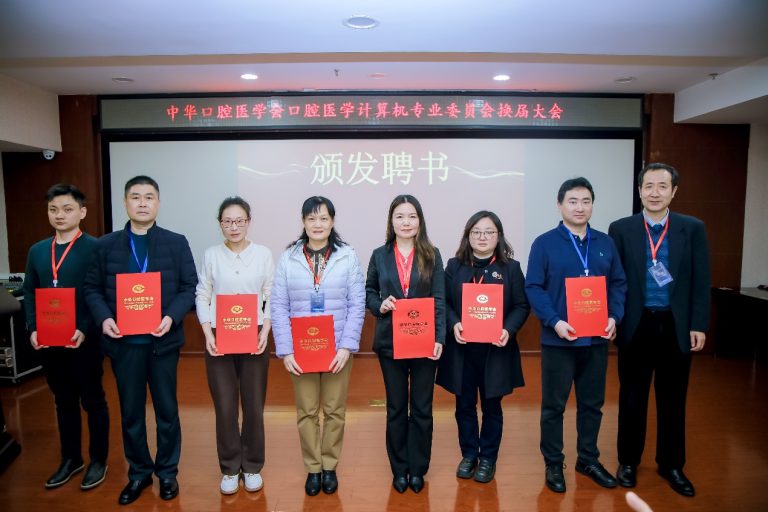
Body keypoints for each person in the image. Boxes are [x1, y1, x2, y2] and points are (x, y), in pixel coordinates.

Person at [83, 175, 197, 505]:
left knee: (167, 411)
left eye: (149, 197)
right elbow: (91, 289)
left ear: (158, 203)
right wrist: (104, 318)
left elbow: (189, 286)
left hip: (163, 343)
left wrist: (170, 316)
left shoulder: (176, 242)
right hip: (124, 345)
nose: (142, 203)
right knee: (131, 413)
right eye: (136, 197)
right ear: (125, 203)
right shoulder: (105, 245)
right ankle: (139, 473)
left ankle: (168, 473)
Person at [608, 163, 710, 497]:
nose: (655, 193)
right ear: (639, 191)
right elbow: (614, 280)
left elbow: (701, 280)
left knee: (673, 399)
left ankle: (672, 465)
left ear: (673, 192)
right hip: (636, 325)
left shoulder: (692, 228)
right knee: (632, 397)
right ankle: (628, 461)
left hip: (675, 326)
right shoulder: (621, 229)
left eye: (662, 186)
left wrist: (698, 324)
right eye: (648, 186)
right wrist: (613, 318)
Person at [525, 177, 626, 493]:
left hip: (596, 340)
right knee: (553, 406)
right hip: (559, 339)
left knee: (592, 404)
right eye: (572, 201)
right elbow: (533, 287)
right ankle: (554, 463)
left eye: (585, 201)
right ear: (560, 205)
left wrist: (614, 316)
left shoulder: (605, 243)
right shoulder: (544, 243)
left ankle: (588, 459)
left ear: (592, 205)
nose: (579, 207)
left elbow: (618, 284)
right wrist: (554, 321)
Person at [269, 196, 365, 497]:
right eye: (311, 218)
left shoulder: (347, 256)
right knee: (307, 411)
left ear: (332, 221)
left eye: (323, 218)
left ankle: (329, 466)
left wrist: (347, 347)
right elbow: (278, 305)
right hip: (302, 350)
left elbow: (357, 304)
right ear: (303, 222)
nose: (318, 224)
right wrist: (286, 351)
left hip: (337, 349)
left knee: (335, 411)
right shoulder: (289, 258)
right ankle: (313, 468)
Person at [22, 184, 110, 490]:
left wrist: (84, 327)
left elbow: (100, 293)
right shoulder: (37, 251)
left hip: (85, 339)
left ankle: (98, 459)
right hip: (49, 340)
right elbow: (29, 292)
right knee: (63, 401)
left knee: (93, 399)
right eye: (53, 209)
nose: (59, 215)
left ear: (82, 212)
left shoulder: (96, 248)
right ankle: (71, 458)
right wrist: (33, 327)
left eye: (67, 209)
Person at [436, 210, 530, 484]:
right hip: (462, 351)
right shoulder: (454, 266)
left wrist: (507, 329)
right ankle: (469, 454)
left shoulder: (511, 268)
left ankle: (488, 457)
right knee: (464, 406)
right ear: (468, 236)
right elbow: (444, 303)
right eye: (476, 232)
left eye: (489, 232)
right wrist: (454, 324)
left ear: (498, 236)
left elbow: (522, 305)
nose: (482, 237)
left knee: (492, 407)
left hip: (495, 351)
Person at [366, 194, 446, 494]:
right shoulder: (379, 255)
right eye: (399, 216)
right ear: (391, 221)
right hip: (391, 343)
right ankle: (399, 469)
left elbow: (440, 299)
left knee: (422, 408)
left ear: (420, 220)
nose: (406, 222)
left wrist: (440, 338)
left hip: (424, 343)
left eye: (412, 216)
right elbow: (369, 291)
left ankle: (418, 468)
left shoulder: (432, 255)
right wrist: (380, 305)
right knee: (396, 407)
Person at [195, 197, 274, 495]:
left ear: (249, 222)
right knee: (225, 405)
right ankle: (229, 468)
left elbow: (271, 293)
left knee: (253, 404)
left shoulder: (263, 254)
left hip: (254, 334)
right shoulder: (212, 255)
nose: (234, 226)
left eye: (240, 221)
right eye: (227, 221)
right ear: (220, 224)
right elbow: (203, 293)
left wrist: (265, 330)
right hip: (219, 335)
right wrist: (207, 333)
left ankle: (252, 466)